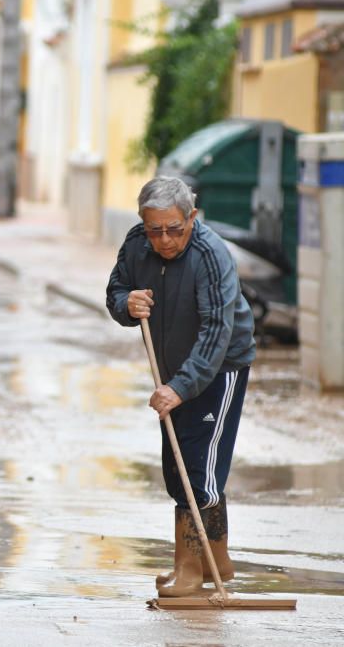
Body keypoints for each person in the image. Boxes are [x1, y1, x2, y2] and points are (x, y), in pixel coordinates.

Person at [106, 176, 256, 597]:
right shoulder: (138, 244)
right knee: (178, 464)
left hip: (219, 367)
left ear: (192, 217)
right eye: (155, 229)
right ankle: (218, 563)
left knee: (198, 467)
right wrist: (126, 303)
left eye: (175, 228)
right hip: (174, 368)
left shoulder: (211, 256)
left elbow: (216, 331)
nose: (165, 240)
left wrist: (182, 387)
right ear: (143, 222)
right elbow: (116, 289)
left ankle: (190, 570)